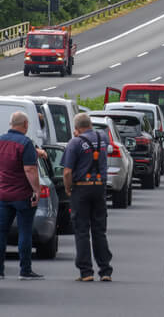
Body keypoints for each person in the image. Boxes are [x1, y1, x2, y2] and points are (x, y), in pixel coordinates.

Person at [62, 112, 113, 282]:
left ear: (76, 129)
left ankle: (86, 272)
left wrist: (68, 188)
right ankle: (105, 270)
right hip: (100, 188)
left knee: (82, 230)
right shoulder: (103, 138)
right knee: (99, 229)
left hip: (81, 189)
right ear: (90, 124)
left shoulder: (75, 143)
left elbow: (67, 171)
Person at [0, 111, 44, 280]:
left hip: (4, 195)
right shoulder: (26, 142)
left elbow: (12, 156)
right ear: (25, 125)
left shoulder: (1, 140)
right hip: (22, 194)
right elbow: (29, 169)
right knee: (25, 231)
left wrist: (37, 152)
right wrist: (36, 190)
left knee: (1, 231)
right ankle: (25, 270)